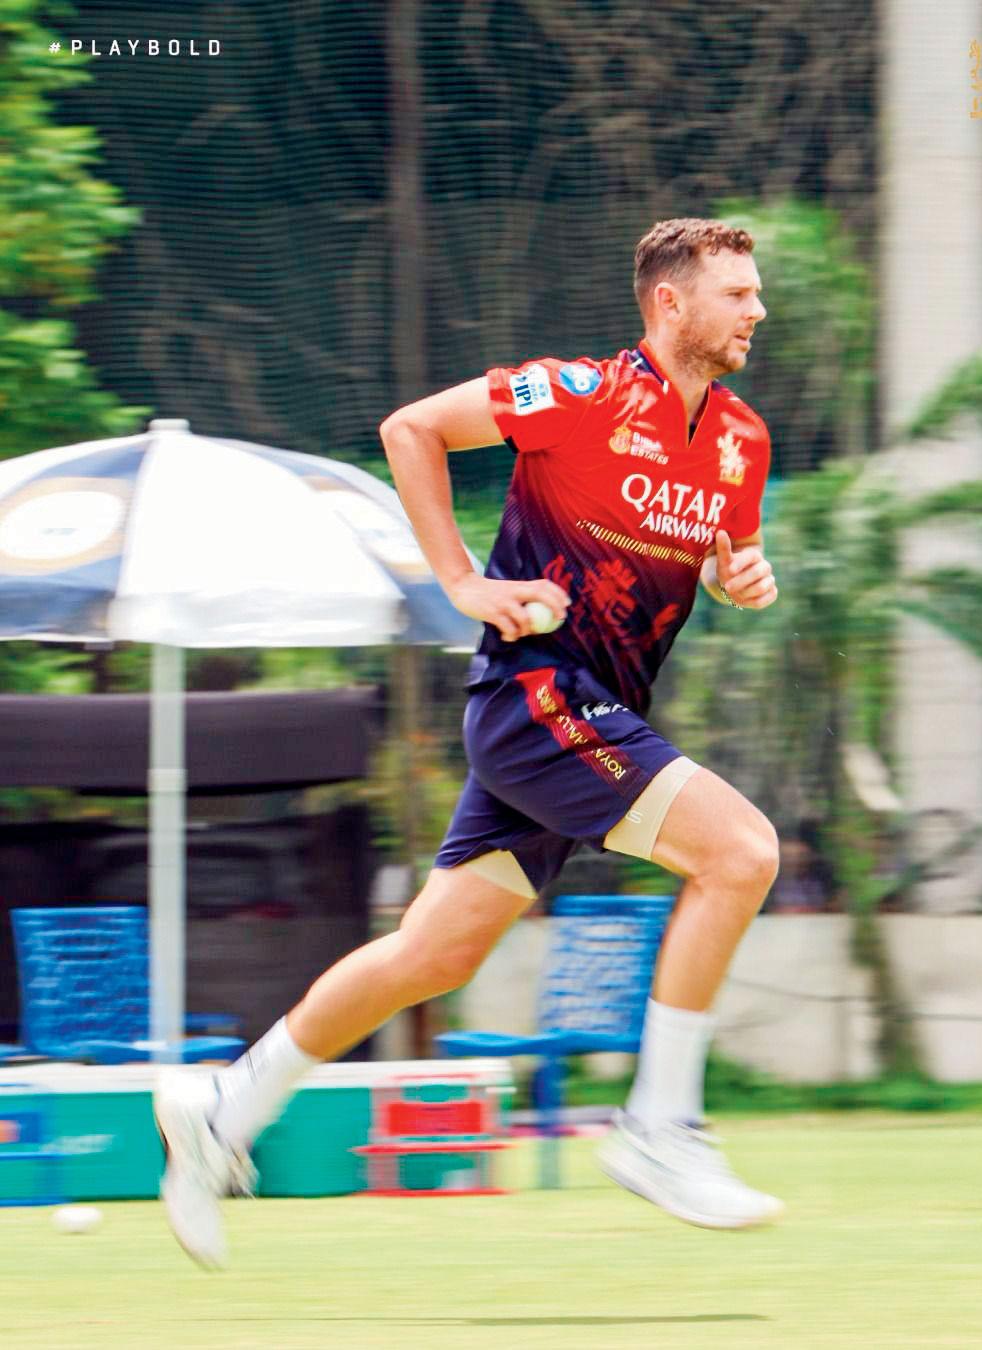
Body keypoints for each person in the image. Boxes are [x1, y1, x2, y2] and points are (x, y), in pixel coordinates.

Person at [154, 217, 783, 1267]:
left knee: (432, 955)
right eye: (737, 293)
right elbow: (411, 429)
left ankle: (224, 1109)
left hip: (590, 718)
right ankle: (659, 1126)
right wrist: (461, 583)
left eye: (756, 292)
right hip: (536, 701)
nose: (757, 309)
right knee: (743, 853)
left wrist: (741, 580)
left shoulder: (743, 440)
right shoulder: (576, 393)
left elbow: (729, 559)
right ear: (670, 303)